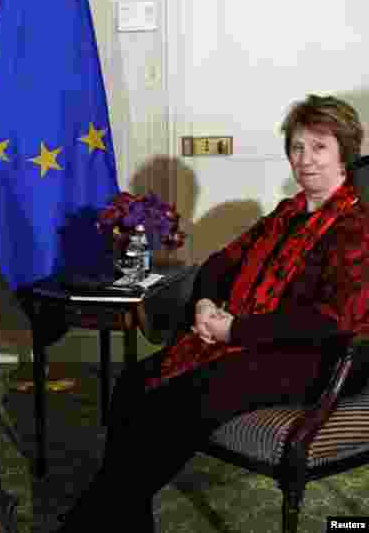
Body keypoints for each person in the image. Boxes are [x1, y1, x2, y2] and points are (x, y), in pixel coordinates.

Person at [58, 94, 369, 532]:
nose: (305, 160)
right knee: (133, 383)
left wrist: (235, 330)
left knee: (184, 398)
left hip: (319, 356)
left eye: (320, 147)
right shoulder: (288, 212)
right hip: (258, 340)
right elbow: (221, 263)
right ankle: (126, 520)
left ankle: (89, 523)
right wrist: (205, 303)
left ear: (344, 154)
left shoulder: (356, 225)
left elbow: (333, 320)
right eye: (297, 147)